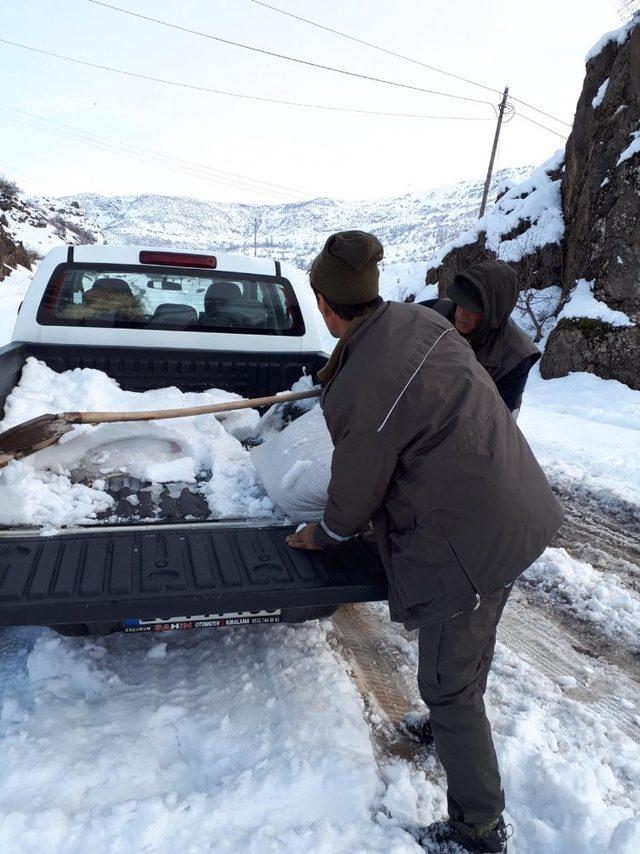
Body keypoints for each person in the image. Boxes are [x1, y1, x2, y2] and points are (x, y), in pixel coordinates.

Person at [286, 231, 563, 854]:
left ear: (327, 306)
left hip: (467, 537)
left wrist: (324, 533)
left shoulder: (365, 380)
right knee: (473, 647)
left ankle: (479, 830)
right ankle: (448, 729)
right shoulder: (418, 321)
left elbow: (355, 489)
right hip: (518, 507)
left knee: (447, 684)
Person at [419, 261, 540, 418]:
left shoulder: (515, 355)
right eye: (460, 302)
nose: (461, 314)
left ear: (493, 313)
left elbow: (499, 421)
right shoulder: (433, 312)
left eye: (472, 308)